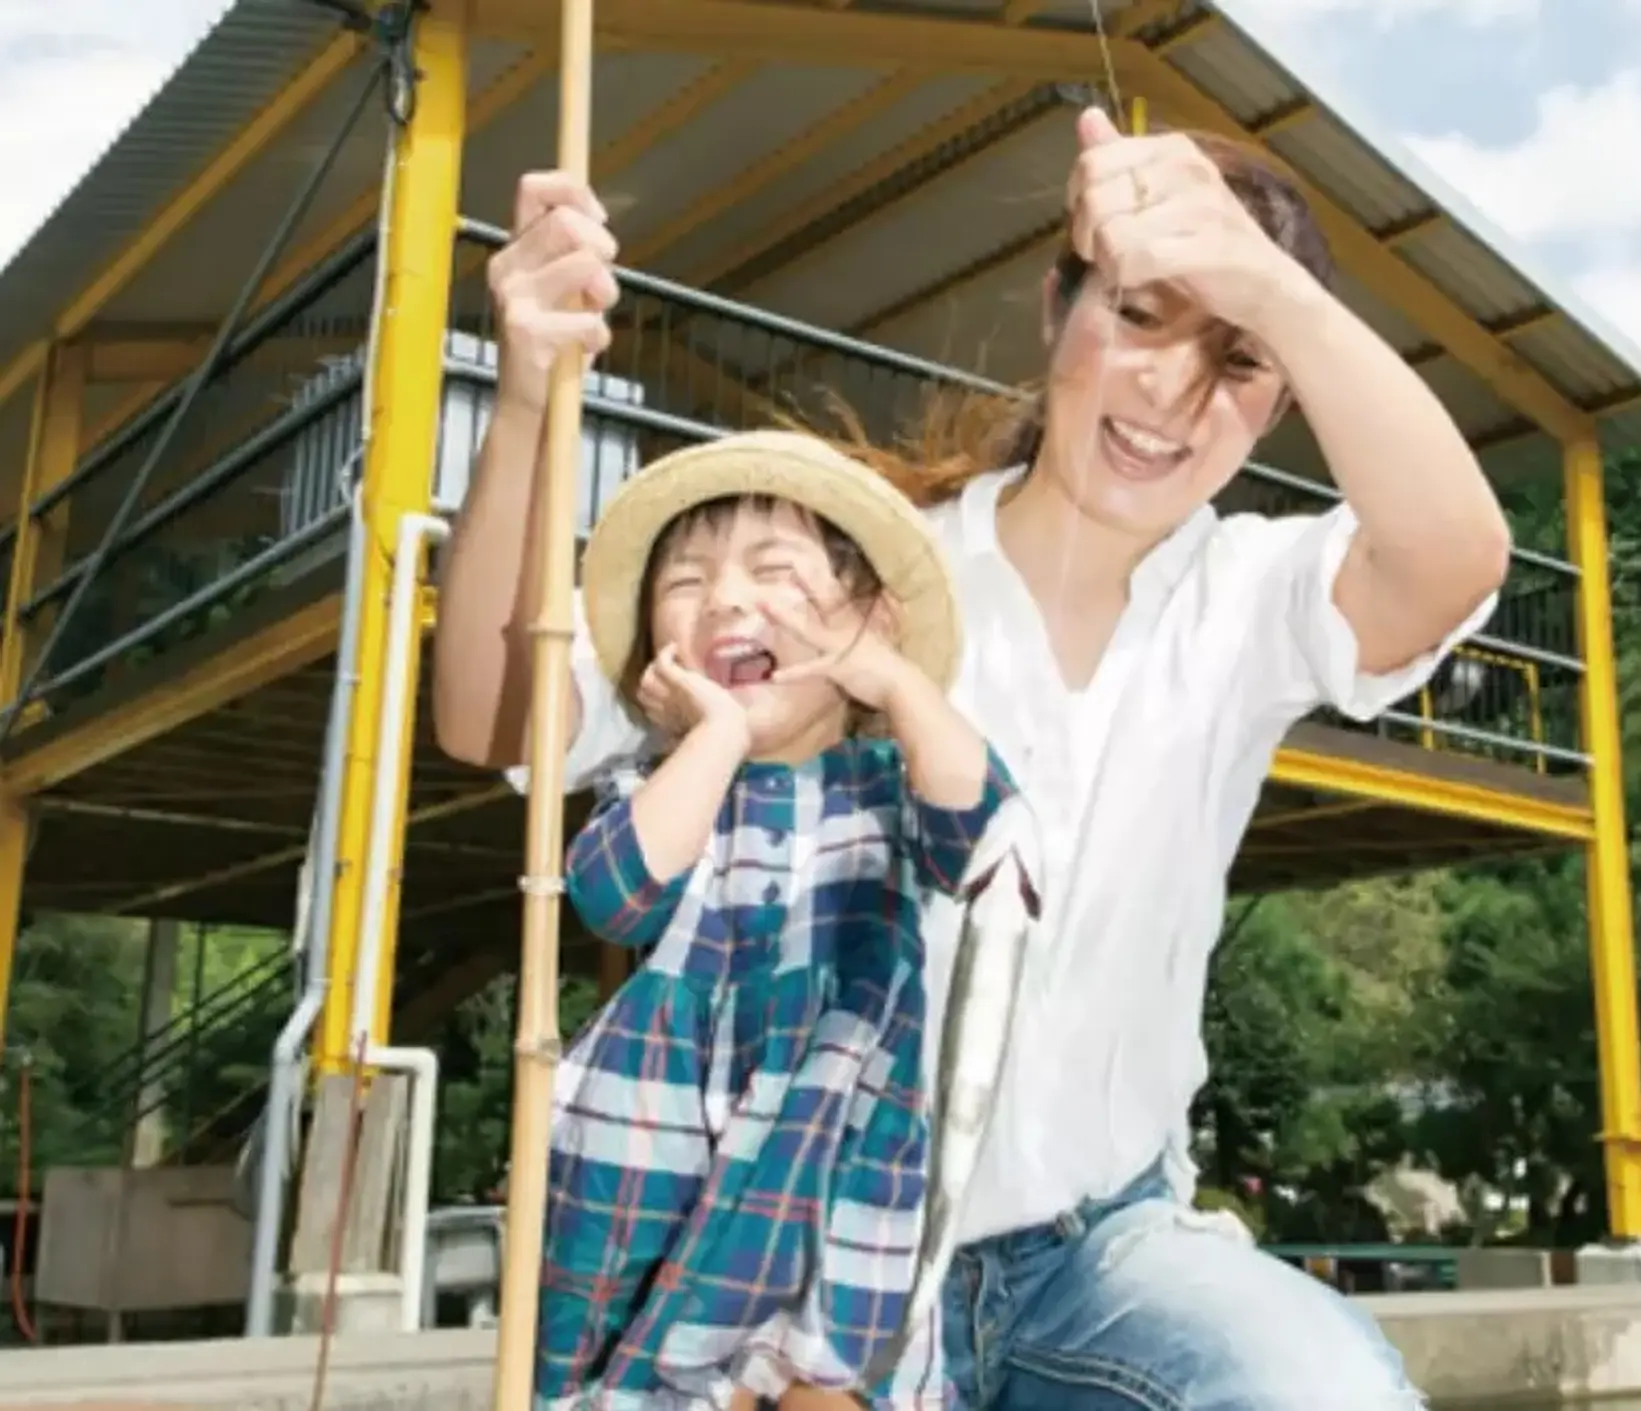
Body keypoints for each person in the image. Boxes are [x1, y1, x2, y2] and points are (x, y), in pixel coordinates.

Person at [435, 106, 1511, 1410]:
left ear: (1281, 397)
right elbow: (498, 720)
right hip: (792, 1264)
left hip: (1103, 1253)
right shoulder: (865, 572)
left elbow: (1454, 557)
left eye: (1240, 358)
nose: (1173, 394)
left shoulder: (1252, 595)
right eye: (1141, 315)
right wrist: (532, 392)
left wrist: (1269, 283)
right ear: (1058, 308)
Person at [538, 430, 1016, 1409]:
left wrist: (896, 680)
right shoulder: (653, 786)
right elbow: (611, 893)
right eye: (687, 581)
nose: (725, 599)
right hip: (637, 1203)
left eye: (775, 571)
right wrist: (716, 734)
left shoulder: (892, 785)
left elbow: (988, 842)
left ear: (869, 620)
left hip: (829, 1208)